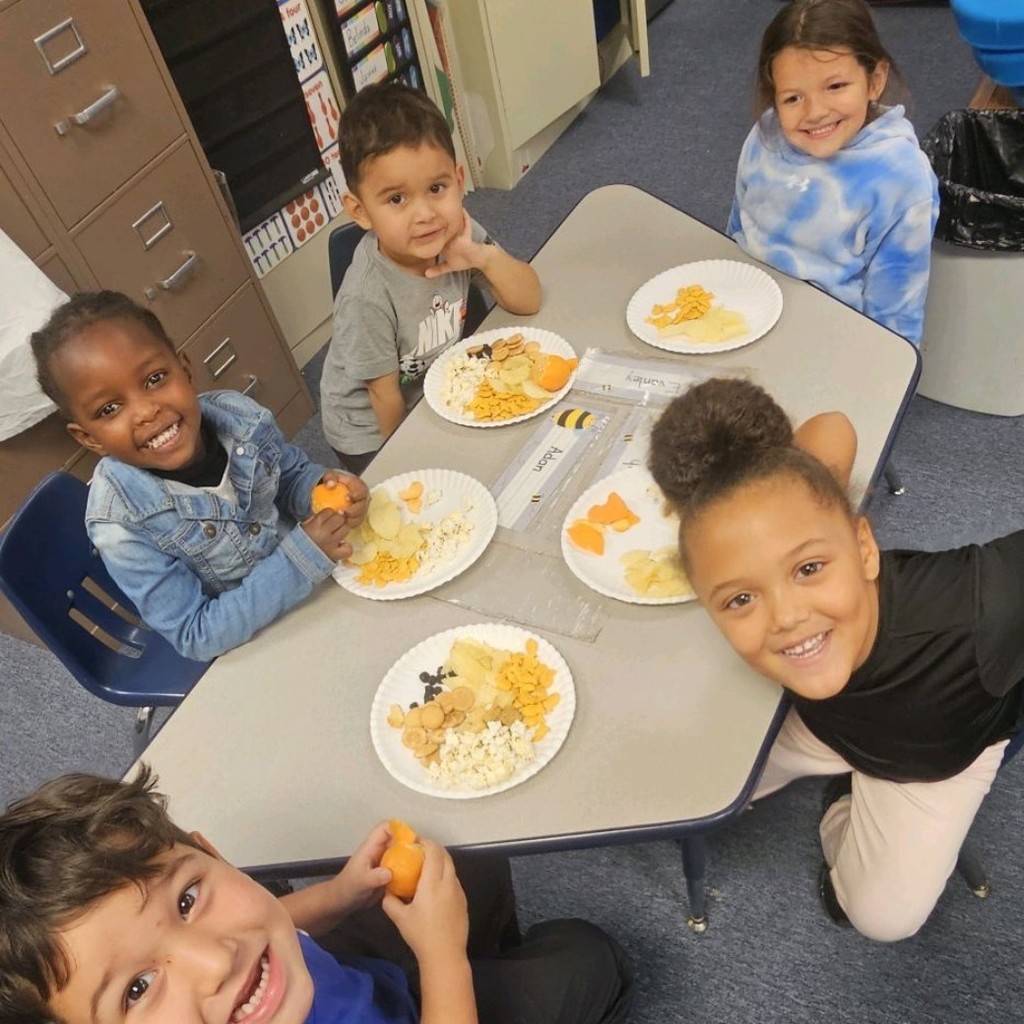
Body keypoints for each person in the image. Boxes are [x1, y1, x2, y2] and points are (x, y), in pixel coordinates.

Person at [648, 377, 1024, 942]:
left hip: (932, 755)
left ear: (864, 547)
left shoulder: (980, 611)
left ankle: (843, 812)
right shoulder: (793, 519)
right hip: (824, 722)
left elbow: (833, 431)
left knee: (883, 917)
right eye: (740, 598)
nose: (786, 617)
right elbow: (834, 429)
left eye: (807, 568)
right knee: (695, 789)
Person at [0, 768, 634, 1024]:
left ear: (215, 855)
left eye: (189, 899)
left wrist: (339, 896)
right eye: (136, 990)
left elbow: (275, 920)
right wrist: (445, 961)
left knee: (469, 864)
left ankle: (491, 954)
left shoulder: (241, 961)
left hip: (364, 981)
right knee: (588, 957)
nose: (217, 960)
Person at [30, 290, 369, 661]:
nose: (146, 411)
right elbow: (196, 634)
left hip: (319, 580)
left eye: (155, 379)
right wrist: (301, 557)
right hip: (251, 643)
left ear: (186, 370)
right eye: (110, 408)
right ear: (89, 438)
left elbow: (289, 477)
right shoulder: (121, 524)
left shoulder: (240, 419)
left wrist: (323, 490)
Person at [320, 82, 542, 473]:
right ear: (360, 211)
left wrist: (481, 257)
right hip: (369, 428)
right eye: (396, 199)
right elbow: (383, 397)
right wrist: (413, 470)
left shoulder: (456, 233)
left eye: (436, 189)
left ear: (458, 182)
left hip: (431, 385)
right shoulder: (365, 298)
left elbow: (530, 298)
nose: (425, 214)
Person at [727, 0, 939, 345]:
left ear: (875, 80)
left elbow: (896, 316)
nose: (815, 112)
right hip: (744, 315)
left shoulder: (901, 178)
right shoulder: (766, 133)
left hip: (830, 341)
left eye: (835, 87)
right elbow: (737, 228)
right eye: (793, 98)